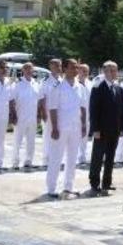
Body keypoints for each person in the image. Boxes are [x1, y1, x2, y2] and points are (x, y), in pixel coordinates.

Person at [46, 59, 86, 198]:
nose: (75, 70)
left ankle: (69, 186)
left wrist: (84, 125)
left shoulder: (80, 86)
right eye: (72, 67)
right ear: (64, 69)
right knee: (56, 157)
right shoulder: (58, 86)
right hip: (61, 127)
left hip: (75, 126)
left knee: (72, 158)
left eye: (77, 67)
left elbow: (83, 107)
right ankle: (51, 188)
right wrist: (54, 127)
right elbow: (52, 108)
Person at [88, 61, 123, 193]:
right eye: (111, 70)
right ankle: (94, 183)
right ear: (105, 72)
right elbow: (94, 110)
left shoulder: (119, 88)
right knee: (98, 157)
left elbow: (122, 110)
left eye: (115, 70)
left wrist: (122, 127)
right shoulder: (98, 88)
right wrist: (95, 129)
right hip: (101, 130)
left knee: (110, 157)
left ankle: (106, 183)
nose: (114, 73)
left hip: (114, 129)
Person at [10, 62, 42, 170]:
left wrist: (39, 115)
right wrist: (13, 115)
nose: (29, 71)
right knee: (17, 141)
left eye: (31, 69)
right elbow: (12, 101)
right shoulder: (17, 84)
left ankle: (28, 161)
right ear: (22, 71)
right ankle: (15, 162)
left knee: (31, 141)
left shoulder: (36, 84)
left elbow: (38, 102)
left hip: (32, 117)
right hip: (20, 117)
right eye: (27, 69)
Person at [39, 58, 62, 167]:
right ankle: (46, 160)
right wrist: (43, 112)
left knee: (60, 136)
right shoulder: (45, 81)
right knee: (48, 136)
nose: (58, 67)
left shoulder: (62, 80)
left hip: (61, 114)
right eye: (56, 65)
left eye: (60, 65)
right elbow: (42, 98)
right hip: (48, 113)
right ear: (51, 67)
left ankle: (57, 158)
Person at [76, 63, 92, 166]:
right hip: (75, 114)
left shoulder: (90, 83)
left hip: (87, 114)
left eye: (87, 71)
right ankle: (73, 156)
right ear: (78, 71)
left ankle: (82, 156)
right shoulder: (74, 83)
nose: (85, 73)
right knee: (74, 136)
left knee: (84, 136)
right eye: (83, 70)